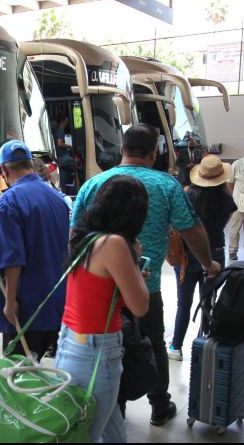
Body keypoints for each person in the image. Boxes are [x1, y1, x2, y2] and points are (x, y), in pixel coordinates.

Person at [71, 124, 221, 427]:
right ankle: (159, 405)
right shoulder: (166, 185)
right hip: (145, 286)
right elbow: (191, 229)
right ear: (155, 152)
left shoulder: (93, 184)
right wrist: (208, 264)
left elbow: (74, 234)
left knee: (110, 345)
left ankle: (117, 406)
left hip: (101, 291)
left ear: (122, 149)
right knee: (153, 343)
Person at [60, 175, 150, 443]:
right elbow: (141, 306)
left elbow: (99, 289)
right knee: (86, 435)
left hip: (69, 341)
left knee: (110, 428)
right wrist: (136, 266)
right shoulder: (116, 244)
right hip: (96, 351)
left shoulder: (81, 237)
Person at [0, 140, 69, 360]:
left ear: (4, 170)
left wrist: (9, 301)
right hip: (53, 299)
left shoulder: (9, 201)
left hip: (26, 304)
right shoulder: (57, 198)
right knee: (36, 364)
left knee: (19, 376)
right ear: (31, 165)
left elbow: (12, 259)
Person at [168, 156, 236, 361]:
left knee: (184, 303)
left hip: (188, 255)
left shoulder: (188, 196)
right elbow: (223, 224)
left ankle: (176, 346)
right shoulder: (226, 199)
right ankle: (205, 342)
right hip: (215, 253)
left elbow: (178, 223)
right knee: (209, 301)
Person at [54, 115, 75, 189]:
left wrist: (66, 136)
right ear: (62, 122)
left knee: (63, 177)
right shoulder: (60, 130)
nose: (67, 122)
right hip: (64, 157)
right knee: (77, 165)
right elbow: (60, 143)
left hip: (60, 157)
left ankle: (64, 190)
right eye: (66, 121)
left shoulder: (59, 131)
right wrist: (69, 146)